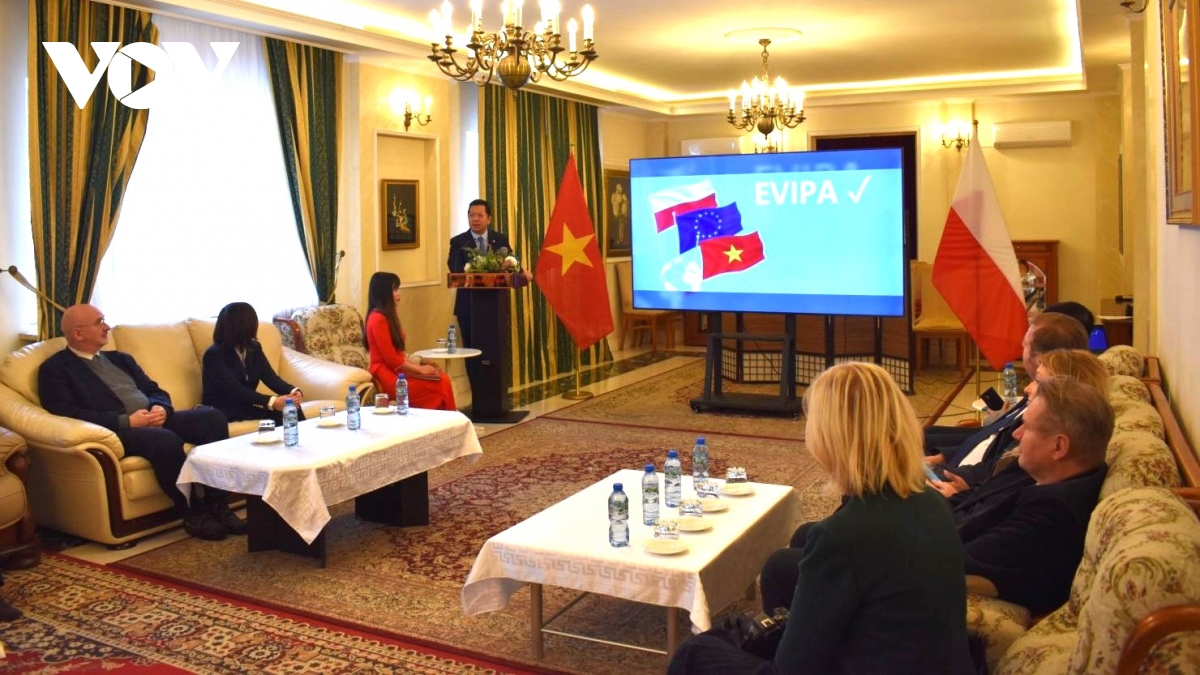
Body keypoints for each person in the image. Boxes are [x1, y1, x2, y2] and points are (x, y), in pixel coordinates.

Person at [671, 363, 973, 675]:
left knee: (697, 652)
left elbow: (791, 670)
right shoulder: (931, 500)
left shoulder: (842, 536)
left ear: (829, 438)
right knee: (780, 570)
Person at [37, 304, 241, 540]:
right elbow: (67, 413)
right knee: (165, 440)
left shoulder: (121, 359)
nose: (107, 327)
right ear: (78, 333)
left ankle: (219, 505)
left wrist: (161, 408)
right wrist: (127, 421)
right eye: (99, 322)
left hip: (153, 418)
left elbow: (155, 390)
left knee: (212, 418)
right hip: (118, 430)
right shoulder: (55, 369)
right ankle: (194, 512)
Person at [924, 311, 1089, 473]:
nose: (1026, 389)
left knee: (920, 439)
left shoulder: (1048, 408)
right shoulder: (1043, 389)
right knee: (925, 433)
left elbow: (1001, 462)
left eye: (1024, 346)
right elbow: (992, 435)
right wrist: (943, 456)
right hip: (971, 453)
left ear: (1039, 357)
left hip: (967, 473)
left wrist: (948, 468)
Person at [933, 348, 1109, 491]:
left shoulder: (1038, 458)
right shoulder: (1035, 417)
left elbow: (996, 490)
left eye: (1038, 381)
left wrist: (959, 493)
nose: (1026, 388)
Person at [364, 272, 457, 410]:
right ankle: (449, 418)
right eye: (394, 289)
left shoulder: (388, 314)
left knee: (442, 379)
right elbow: (392, 359)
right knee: (440, 386)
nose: (399, 293)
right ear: (383, 293)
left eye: (398, 288)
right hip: (386, 374)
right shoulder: (378, 318)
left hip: (397, 370)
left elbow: (399, 354)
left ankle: (451, 419)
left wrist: (417, 367)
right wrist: (420, 369)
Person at [202, 301, 305, 425]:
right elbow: (235, 390)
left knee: (292, 408)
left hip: (247, 405)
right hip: (225, 410)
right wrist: (273, 402)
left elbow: (270, 378)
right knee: (282, 413)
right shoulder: (214, 355)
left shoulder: (254, 347)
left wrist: (293, 391)